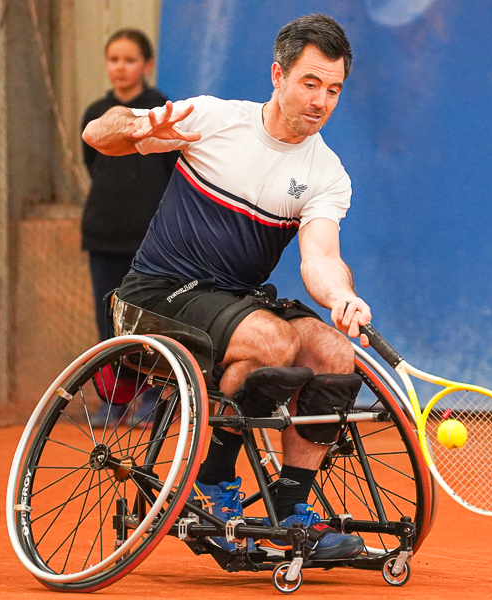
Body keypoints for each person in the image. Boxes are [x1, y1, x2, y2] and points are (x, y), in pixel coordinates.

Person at [82, 14, 370, 559]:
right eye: (310, 83)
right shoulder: (214, 120)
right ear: (277, 76)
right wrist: (140, 129)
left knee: (334, 351)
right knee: (272, 343)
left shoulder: (327, 173)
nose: (321, 101)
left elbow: (321, 258)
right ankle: (212, 486)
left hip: (233, 305)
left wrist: (341, 298)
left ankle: (292, 509)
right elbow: (99, 133)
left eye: (333, 90)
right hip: (155, 294)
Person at [81, 29, 176, 427]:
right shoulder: (95, 113)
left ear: (147, 66)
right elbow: (91, 162)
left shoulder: (161, 110)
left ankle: (153, 398)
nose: (121, 67)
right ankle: (114, 401)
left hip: (152, 243)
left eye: (130, 59)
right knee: (110, 323)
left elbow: (173, 172)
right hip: (104, 235)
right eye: (114, 59)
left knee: (152, 321)